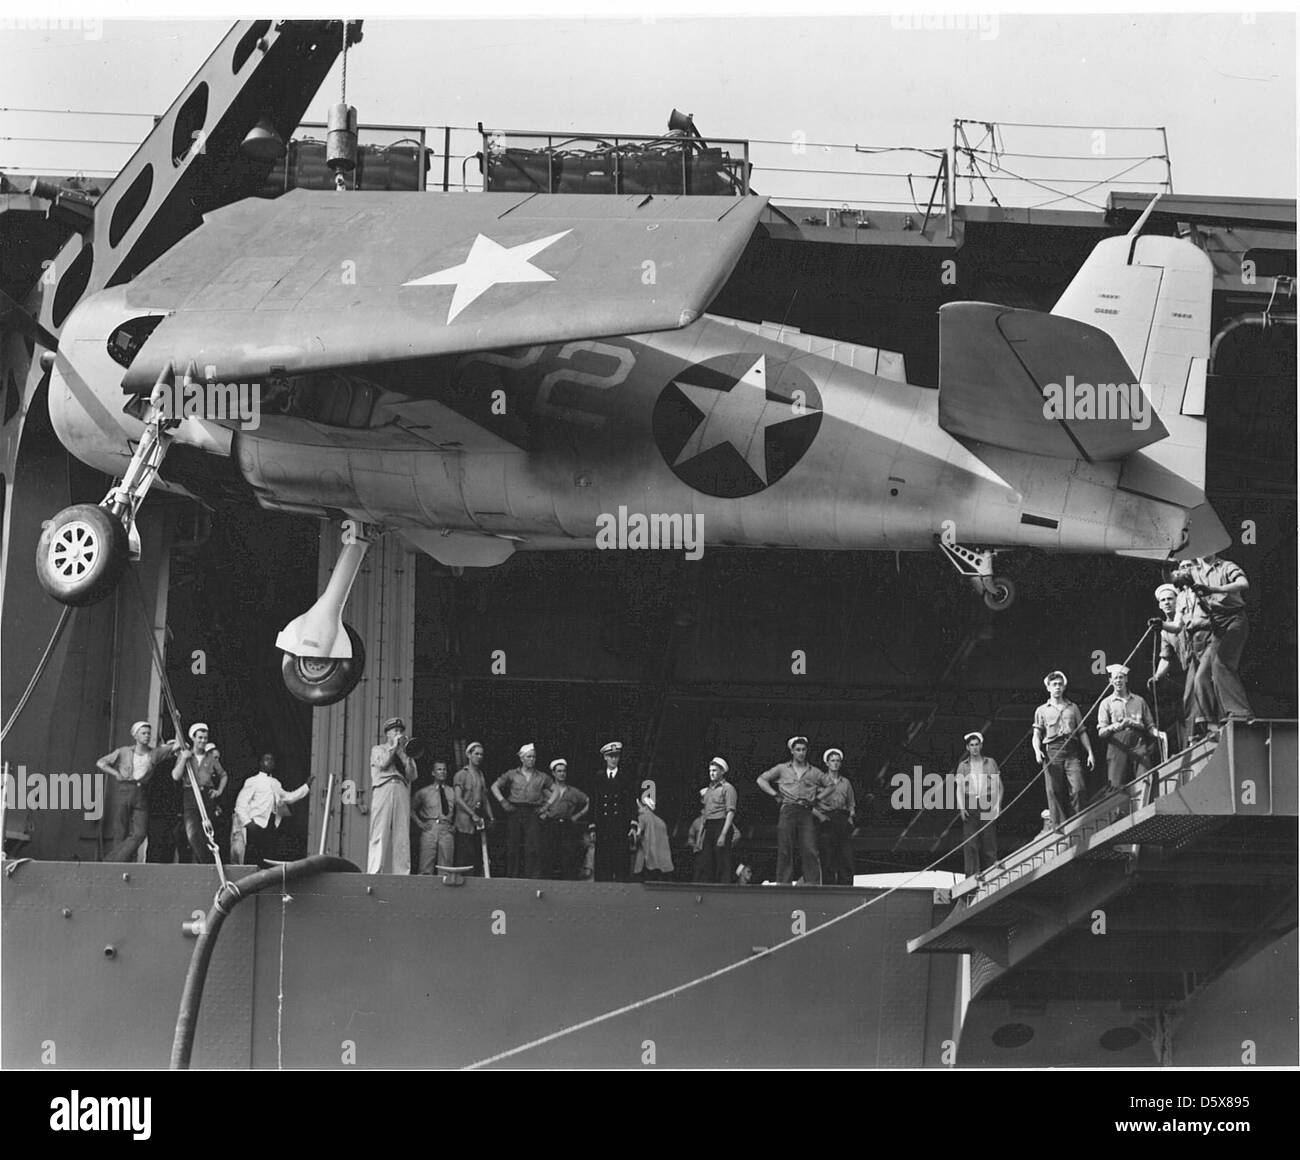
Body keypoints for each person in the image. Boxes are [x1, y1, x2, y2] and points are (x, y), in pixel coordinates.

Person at [96, 721, 181, 863]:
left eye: (149, 733)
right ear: (135, 735)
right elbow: (101, 763)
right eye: (144, 733)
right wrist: (116, 773)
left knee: (140, 833)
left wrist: (177, 723)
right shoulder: (123, 751)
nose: (147, 736)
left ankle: (111, 861)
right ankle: (122, 864)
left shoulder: (154, 752)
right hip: (125, 790)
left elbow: (177, 745)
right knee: (120, 831)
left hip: (141, 792)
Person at [1185, 553, 1253, 722]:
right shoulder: (1195, 572)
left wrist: (1215, 589)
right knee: (1203, 676)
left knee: (1221, 663)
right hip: (1217, 624)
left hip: (1234, 619)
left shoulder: (1225, 566)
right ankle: (1212, 721)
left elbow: (1243, 584)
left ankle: (1241, 712)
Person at [757, 736, 829, 885]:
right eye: (798, 750)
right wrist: (775, 794)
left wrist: (817, 799)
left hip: (805, 810)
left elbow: (830, 786)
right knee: (785, 847)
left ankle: (813, 884)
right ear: (792, 751)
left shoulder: (814, 771)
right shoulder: (782, 768)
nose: (801, 753)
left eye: (803, 750)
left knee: (809, 848)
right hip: (788, 809)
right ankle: (783, 883)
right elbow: (761, 780)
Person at [1032, 672, 1095, 825]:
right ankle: (1059, 826)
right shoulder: (1042, 710)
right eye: (1054, 685)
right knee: (1054, 790)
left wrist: (1090, 753)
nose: (1057, 687)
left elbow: (1082, 732)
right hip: (1053, 751)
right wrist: (1037, 751)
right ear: (1048, 688)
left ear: (1064, 686)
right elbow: (1036, 734)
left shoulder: (1072, 708)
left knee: (1079, 787)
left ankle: (1077, 821)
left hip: (1072, 751)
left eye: (1060, 684)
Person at [231, 753, 310, 864]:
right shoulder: (253, 781)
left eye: (272, 760)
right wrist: (248, 823)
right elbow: (240, 805)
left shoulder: (276, 783)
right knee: (253, 857)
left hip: (271, 824)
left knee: (268, 856)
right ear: (261, 763)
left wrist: (306, 786)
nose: (270, 762)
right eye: (267, 760)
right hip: (256, 824)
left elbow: (288, 797)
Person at [491, 743, 552, 878]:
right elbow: (494, 786)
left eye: (534, 757)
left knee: (533, 846)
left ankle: (532, 877)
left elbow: (556, 790)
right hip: (515, 810)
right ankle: (512, 876)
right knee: (513, 844)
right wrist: (503, 802)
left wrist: (546, 806)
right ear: (522, 758)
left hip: (532, 811)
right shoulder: (512, 774)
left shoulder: (541, 776)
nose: (532, 759)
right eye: (529, 757)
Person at [365, 716, 416, 875]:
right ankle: (374, 871)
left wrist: (406, 756)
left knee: (402, 833)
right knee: (379, 830)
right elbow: (383, 763)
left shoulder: (405, 753)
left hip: (401, 787)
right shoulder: (378, 749)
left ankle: (402, 873)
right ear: (387, 734)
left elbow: (412, 776)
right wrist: (394, 747)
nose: (399, 733)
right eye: (395, 731)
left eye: (401, 731)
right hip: (384, 787)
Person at [1097, 663, 1158, 795]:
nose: (1118, 681)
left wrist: (1158, 733)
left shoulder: (1139, 701)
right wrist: (1113, 726)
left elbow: (1150, 726)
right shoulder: (1106, 703)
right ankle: (1118, 814)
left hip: (1137, 741)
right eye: (1115, 678)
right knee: (1115, 782)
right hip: (1117, 743)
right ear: (1110, 681)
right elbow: (1101, 732)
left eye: (1121, 677)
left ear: (1126, 679)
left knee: (1145, 773)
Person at [172, 723, 228, 863]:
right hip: (190, 795)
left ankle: (202, 866)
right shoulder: (185, 755)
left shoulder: (211, 758)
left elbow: (223, 775)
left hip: (207, 796)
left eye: (205, 738)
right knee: (192, 833)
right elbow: (175, 776)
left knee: (206, 834)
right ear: (193, 738)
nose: (203, 741)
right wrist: (184, 758)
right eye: (200, 737)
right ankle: (208, 863)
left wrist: (219, 791)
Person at [954, 732, 1002, 877]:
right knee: (971, 842)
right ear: (967, 747)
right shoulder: (963, 766)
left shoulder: (990, 762)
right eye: (972, 745)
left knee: (989, 838)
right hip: (970, 803)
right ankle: (972, 873)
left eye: (977, 745)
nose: (974, 748)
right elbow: (959, 789)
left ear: (981, 746)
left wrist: (997, 805)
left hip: (986, 801)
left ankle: (992, 869)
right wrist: (962, 807)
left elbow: (999, 786)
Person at [1149, 582, 1189, 753]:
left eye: (1170, 599)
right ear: (1159, 604)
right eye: (1163, 600)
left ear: (1177, 601)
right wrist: (1157, 676)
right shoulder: (1164, 632)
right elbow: (1166, 657)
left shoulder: (1187, 617)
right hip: (1188, 667)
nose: (1167, 602)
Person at [590, 741, 637, 882]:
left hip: (620, 826)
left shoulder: (625, 777)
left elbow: (631, 803)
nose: (613, 759)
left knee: (621, 862)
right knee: (603, 863)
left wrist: (633, 825)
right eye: (610, 756)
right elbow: (595, 802)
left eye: (616, 756)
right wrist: (592, 826)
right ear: (605, 757)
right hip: (603, 826)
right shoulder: (598, 777)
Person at [537, 758, 590, 879]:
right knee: (548, 856)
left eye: (564, 771)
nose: (562, 773)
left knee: (568, 856)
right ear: (553, 773)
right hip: (550, 825)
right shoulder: (546, 791)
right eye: (559, 771)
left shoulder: (573, 791)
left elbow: (589, 801)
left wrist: (578, 815)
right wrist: (542, 814)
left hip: (566, 825)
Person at [452, 742, 494, 874]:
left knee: (477, 856)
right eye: (476, 754)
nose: (479, 757)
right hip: (465, 822)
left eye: (481, 754)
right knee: (464, 856)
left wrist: (491, 816)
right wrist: (472, 814)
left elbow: (484, 798)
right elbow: (458, 799)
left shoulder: (481, 775)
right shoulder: (461, 774)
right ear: (469, 755)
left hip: (478, 822)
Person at [693, 757, 737, 884]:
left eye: (715, 770)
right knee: (707, 861)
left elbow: (730, 812)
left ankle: (724, 890)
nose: (711, 773)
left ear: (722, 771)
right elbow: (705, 815)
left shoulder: (728, 788)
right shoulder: (709, 790)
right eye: (710, 770)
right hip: (709, 825)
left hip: (721, 823)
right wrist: (699, 837)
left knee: (722, 861)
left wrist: (723, 834)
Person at [817, 748, 856, 885]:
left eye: (838, 761)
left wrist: (850, 818)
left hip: (842, 818)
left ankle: (846, 885)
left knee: (845, 854)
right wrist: (820, 817)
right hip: (827, 818)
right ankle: (828, 885)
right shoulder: (820, 781)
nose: (835, 763)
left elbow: (851, 803)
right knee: (827, 854)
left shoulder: (845, 782)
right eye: (832, 760)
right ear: (827, 763)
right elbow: (812, 802)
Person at [412, 760, 457, 875]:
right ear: (433, 773)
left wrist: (455, 825)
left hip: (446, 829)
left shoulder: (452, 792)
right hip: (430, 829)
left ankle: (444, 892)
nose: (442, 772)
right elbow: (410, 808)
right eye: (439, 769)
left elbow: (460, 811)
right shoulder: (424, 792)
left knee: (446, 868)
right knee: (426, 865)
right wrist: (420, 823)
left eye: (444, 769)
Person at [632, 785, 674, 880]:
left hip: (648, 860)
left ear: (645, 807)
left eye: (639, 807)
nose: (638, 810)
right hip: (663, 863)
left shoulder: (643, 817)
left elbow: (638, 834)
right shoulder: (661, 821)